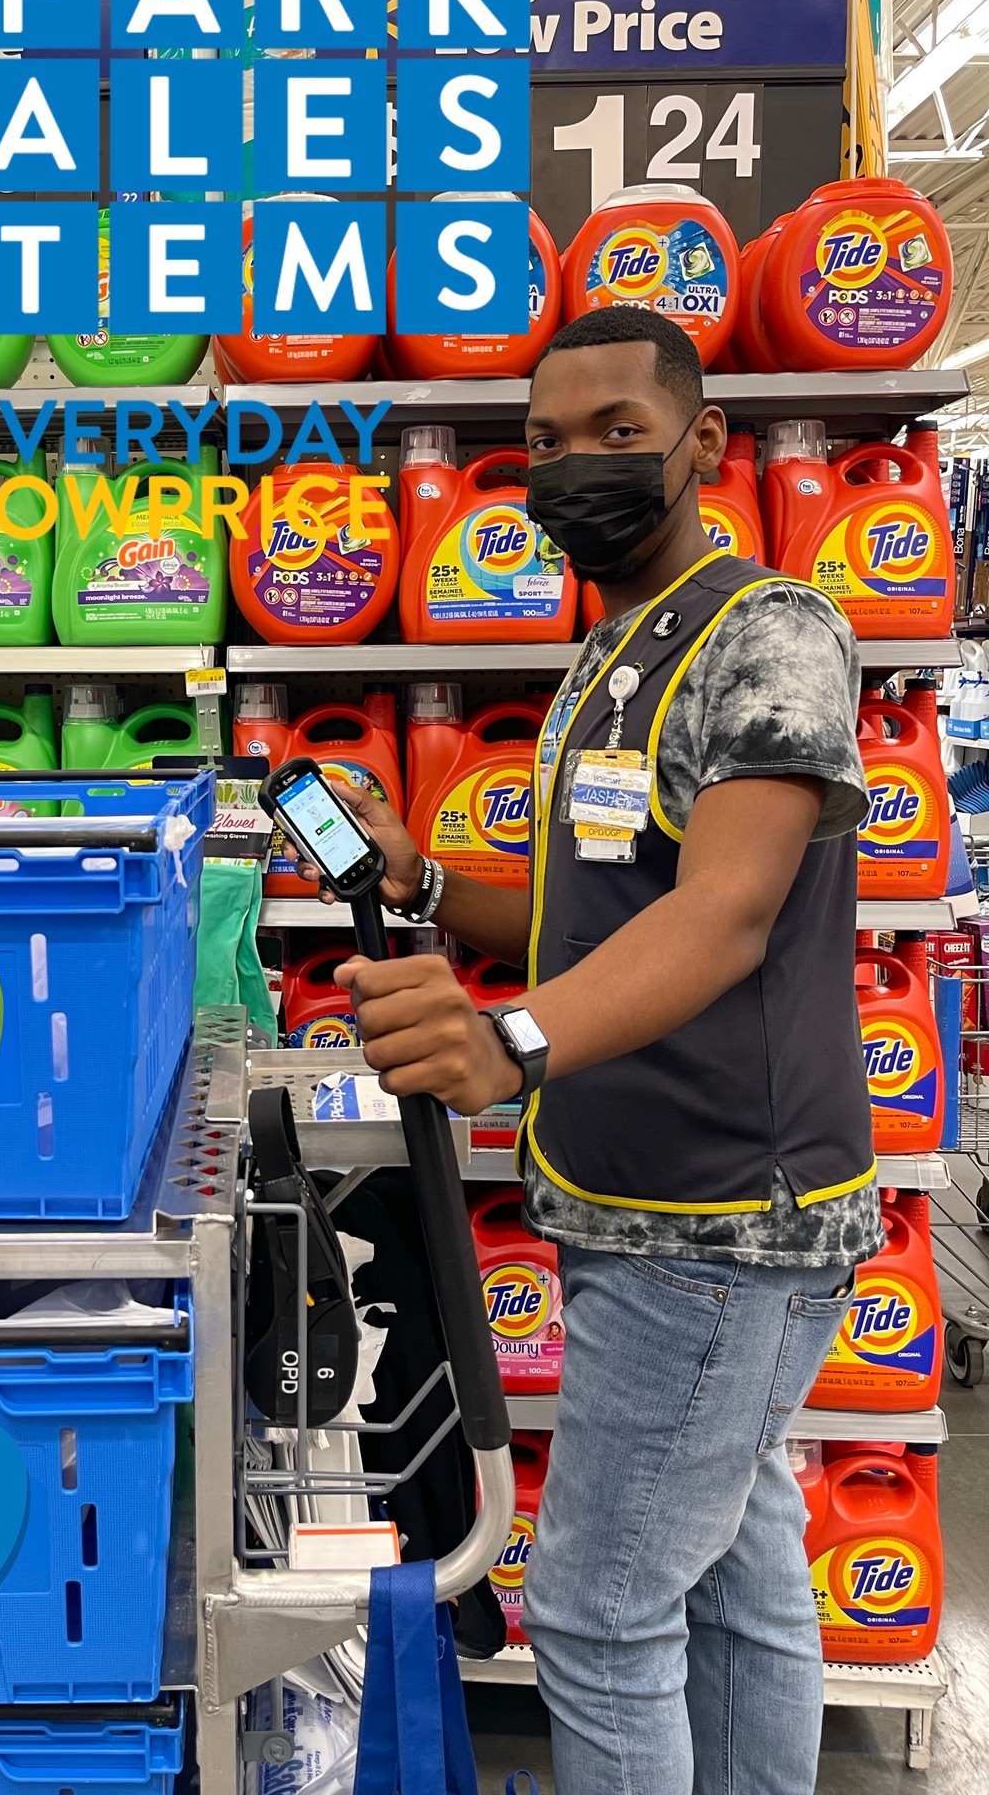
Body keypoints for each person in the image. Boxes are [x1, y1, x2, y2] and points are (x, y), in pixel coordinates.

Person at [297, 305, 883, 1795]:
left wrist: (511, 1039)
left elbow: (726, 913)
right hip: (635, 1196)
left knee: (597, 1614)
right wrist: (429, 879)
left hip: (719, 1217)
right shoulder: (615, 651)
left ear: (704, 443)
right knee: (740, 1573)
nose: (578, 468)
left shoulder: (771, 634)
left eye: (620, 432)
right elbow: (592, 908)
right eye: (547, 443)